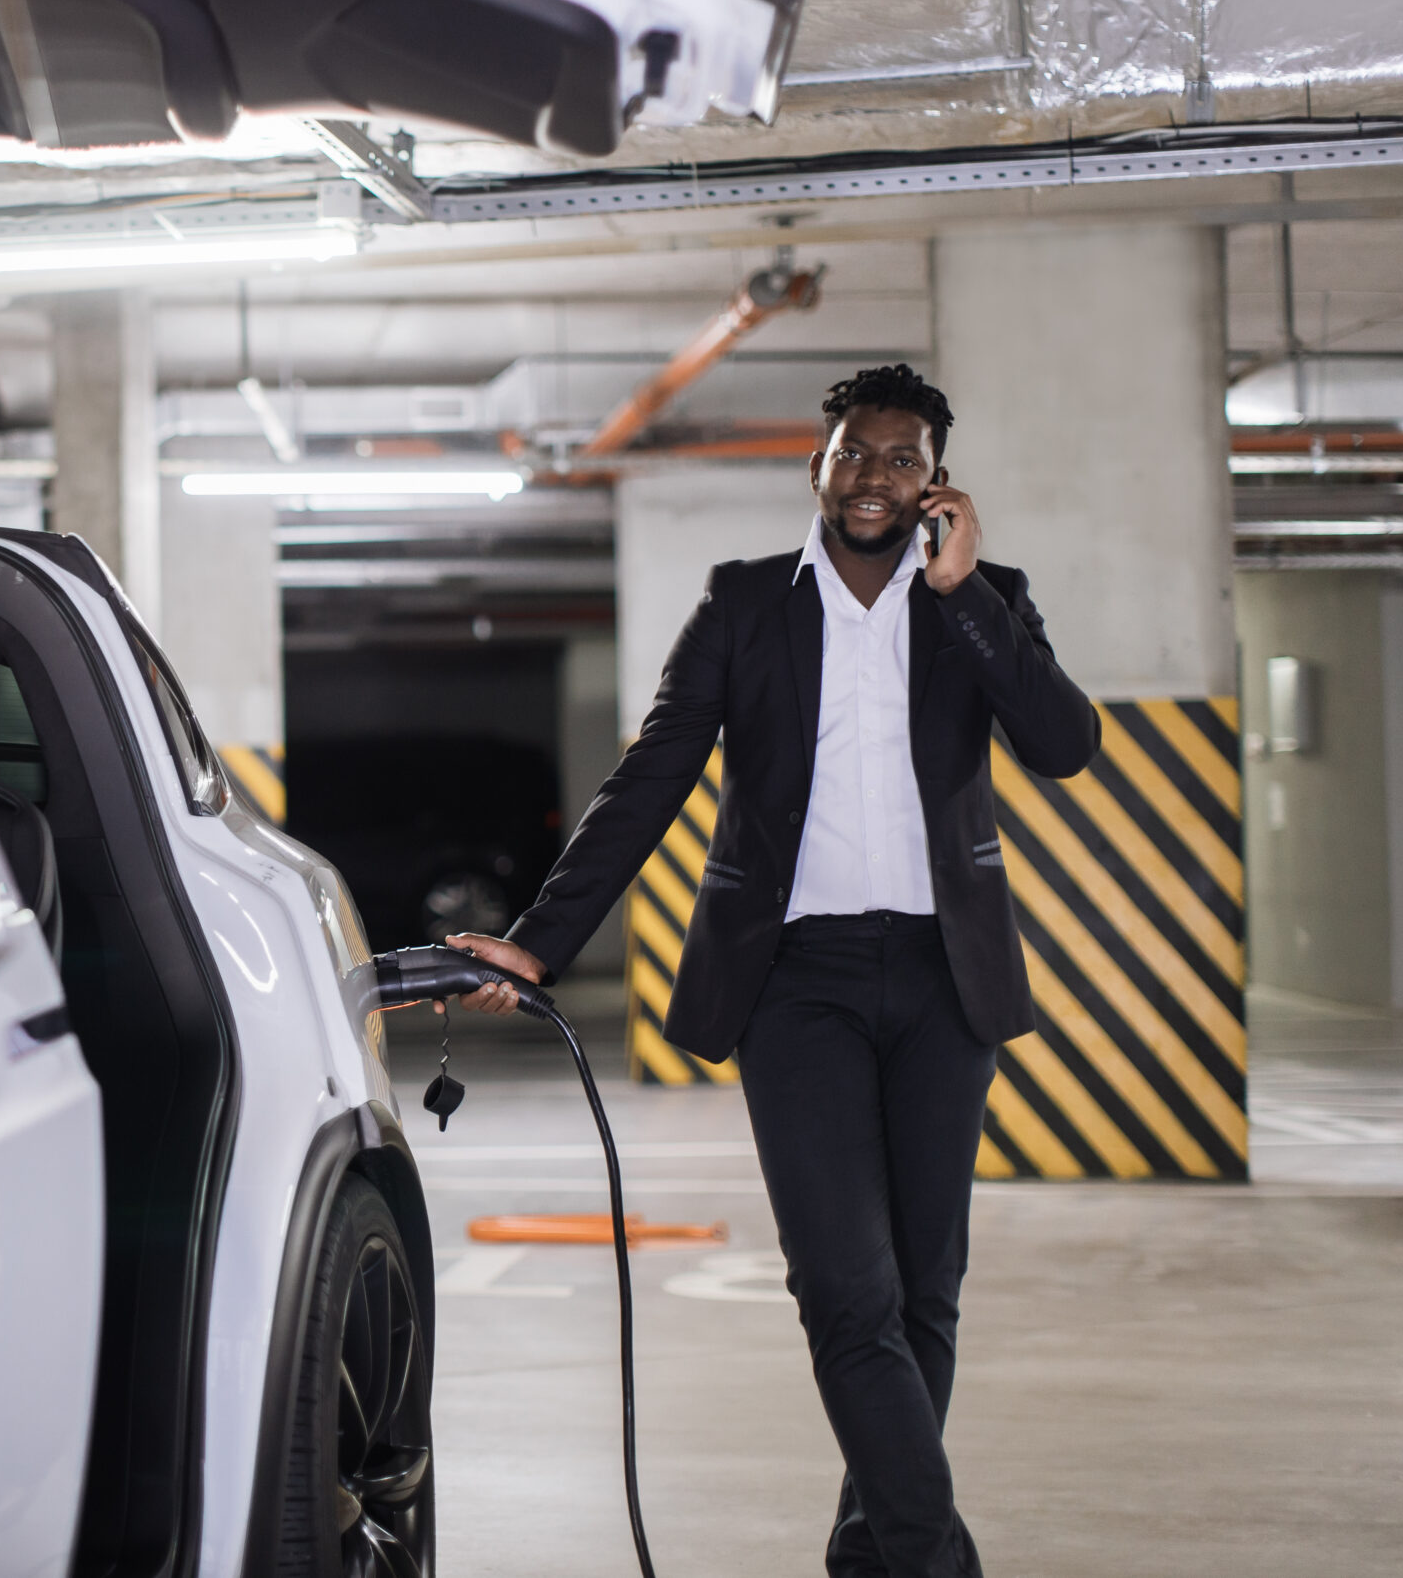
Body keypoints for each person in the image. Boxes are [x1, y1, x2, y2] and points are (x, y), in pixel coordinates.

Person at [448, 364, 1097, 1578]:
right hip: (795, 983)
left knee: (923, 1295)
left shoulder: (983, 598)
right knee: (844, 1293)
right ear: (817, 466)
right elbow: (652, 778)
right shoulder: (743, 604)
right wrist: (541, 937)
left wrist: (965, 600)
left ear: (934, 484)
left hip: (945, 980)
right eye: (855, 452)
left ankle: (870, 1555)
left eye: (902, 459)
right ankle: (931, 1557)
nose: (874, 476)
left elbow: (1063, 745)